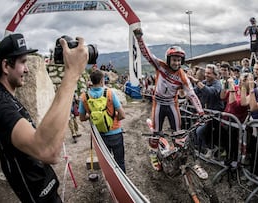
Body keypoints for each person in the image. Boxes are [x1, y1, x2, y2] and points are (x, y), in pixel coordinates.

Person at [0, 33, 88, 202]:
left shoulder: (8, 100)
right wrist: (72, 73)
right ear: (5, 66)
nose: (27, 69)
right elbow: (48, 151)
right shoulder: (1, 106)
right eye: (23, 62)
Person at [133, 28, 204, 171]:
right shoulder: (161, 66)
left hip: (172, 104)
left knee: (178, 135)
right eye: (174, 59)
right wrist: (140, 38)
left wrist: (201, 112)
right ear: (168, 59)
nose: (176, 63)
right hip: (158, 103)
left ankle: (179, 159)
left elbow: (191, 94)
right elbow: (147, 55)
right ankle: (153, 155)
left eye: (179, 60)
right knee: (156, 134)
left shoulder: (183, 76)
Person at [79, 70, 126, 173]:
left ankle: (110, 181)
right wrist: (113, 119)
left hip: (99, 135)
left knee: (107, 163)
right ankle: (122, 183)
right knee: (120, 162)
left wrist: (92, 116)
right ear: (102, 80)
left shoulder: (84, 97)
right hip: (115, 133)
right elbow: (122, 115)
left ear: (91, 81)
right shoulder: (109, 93)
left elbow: (82, 118)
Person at [189, 64, 225, 158]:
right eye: (205, 72)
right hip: (207, 114)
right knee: (195, 130)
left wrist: (197, 82)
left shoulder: (217, 84)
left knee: (200, 131)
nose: (206, 75)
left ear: (215, 74)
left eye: (209, 73)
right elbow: (194, 92)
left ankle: (211, 148)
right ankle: (204, 148)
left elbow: (210, 92)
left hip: (215, 115)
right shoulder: (204, 82)